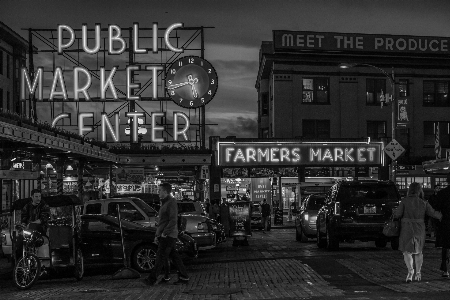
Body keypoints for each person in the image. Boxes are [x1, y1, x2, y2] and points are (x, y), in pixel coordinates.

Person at [394, 182, 442, 283]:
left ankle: (410, 271)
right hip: (419, 228)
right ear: (420, 190)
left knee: (407, 251)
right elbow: (433, 213)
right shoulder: (423, 202)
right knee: (418, 251)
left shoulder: (404, 201)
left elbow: (397, 214)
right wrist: (443, 216)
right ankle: (418, 272)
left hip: (407, 227)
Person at [144, 182, 189, 285]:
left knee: (160, 257)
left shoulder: (171, 202)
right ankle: (183, 276)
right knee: (174, 257)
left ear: (165, 191)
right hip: (167, 234)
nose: (158, 192)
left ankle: (152, 279)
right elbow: (164, 220)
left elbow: (173, 220)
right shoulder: (165, 202)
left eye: (159, 190)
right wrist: (158, 234)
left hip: (168, 235)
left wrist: (164, 233)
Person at [16, 189, 50, 258]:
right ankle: (19, 260)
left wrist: (30, 224)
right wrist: (23, 225)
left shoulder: (44, 206)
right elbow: (24, 218)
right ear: (32, 197)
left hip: (40, 229)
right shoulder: (27, 206)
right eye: (36, 196)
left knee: (33, 226)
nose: (38, 198)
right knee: (19, 238)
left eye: (39, 196)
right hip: (28, 230)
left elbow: (43, 219)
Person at [433, 173, 450, 278]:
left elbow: (436, 208)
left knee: (446, 245)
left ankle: (445, 268)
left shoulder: (442, 193)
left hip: (446, 222)